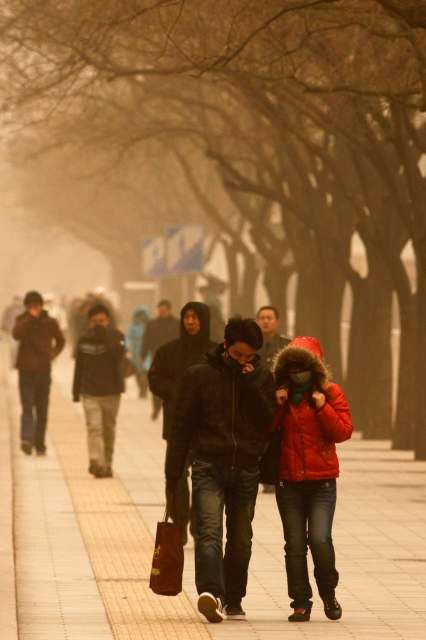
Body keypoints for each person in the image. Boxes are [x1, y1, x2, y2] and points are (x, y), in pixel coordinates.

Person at [165, 317, 276, 623]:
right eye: (238, 354)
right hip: (208, 465)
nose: (244, 361)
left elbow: (268, 420)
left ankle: (234, 597)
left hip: (246, 468)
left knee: (241, 539)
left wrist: (251, 383)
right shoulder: (199, 376)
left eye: (250, 356)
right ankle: (210, 593)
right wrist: (173, 471)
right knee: (209, 532)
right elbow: (182, 425)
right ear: (226, 345)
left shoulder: (262, 376)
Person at [273, 336, 353, 622]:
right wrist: (277, 405)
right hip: (289, 481)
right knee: (294, 543)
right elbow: (264, 429)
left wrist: (323, 407)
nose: (298, 373)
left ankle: (328, 592)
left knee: (319, 539)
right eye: (292, 367)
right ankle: (300, 601)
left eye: (303, 366)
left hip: (322, 482)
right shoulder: (280, 394)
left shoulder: (330, 393)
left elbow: (343, 431)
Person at [148, 302, 216, 543]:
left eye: (196, 317)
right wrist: (175, 391)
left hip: (207, 428)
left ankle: (199, 523)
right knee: (175, 475)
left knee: (203, 476)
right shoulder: (168, 352)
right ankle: (179, 521)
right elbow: (154, 379)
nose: (191, 321)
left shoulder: (216, 353)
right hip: (176, 425)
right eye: (187, 316)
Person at [72, 304, 125, 478]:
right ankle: (96, 461)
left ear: (108, 321)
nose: (98, 324)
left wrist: (106, 336)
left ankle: (107, 463)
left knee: (108, 430)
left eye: (101, 321)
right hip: (90, 392)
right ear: (89, 323)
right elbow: (79, 366)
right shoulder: (83, 340)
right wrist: (75, 390)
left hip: (112, 392)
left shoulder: (117, 336)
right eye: (94, 321)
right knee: (94, 428)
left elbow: (119, 355)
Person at [13, 290, 65, 455]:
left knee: (42, 409)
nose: (33, 308)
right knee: (27, 406)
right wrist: (29, 319)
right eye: (30, 306)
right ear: (26, 307)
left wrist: (53, 353)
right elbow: (16, 334)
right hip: (26, 371)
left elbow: (61, 340)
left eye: (36, 305)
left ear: (42, 306)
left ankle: (40, 444)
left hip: (43, 370)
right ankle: (27, 439)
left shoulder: (50, 322)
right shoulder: (22, 320)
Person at [256, 305, 291, 493]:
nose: (266, 321)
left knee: (279, 441)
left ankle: (277, 477)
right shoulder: (252, 346)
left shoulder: (286, 345)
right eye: (262, 318)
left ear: (277, 322)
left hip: (280, 403)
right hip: (258, 401)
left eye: (269, 318)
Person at [142, 299, 180, 419]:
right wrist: (143, 354)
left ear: (169, 310)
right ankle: (156, 408)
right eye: (160, 310)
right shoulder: (152, 324)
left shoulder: (177, 324)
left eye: (164, 310)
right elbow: (146, 340)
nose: (161, 312)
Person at [125, 305, 151, 397]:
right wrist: (127, 347)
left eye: (143, 315)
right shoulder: (133, 327)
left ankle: (144, 389)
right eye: (140, 315)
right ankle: (141, 389)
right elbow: (128, 338)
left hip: (147, 352)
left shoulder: (150, 326)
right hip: (136, 352)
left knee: (145, 371)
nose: (142, 317)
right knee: (138, 372)